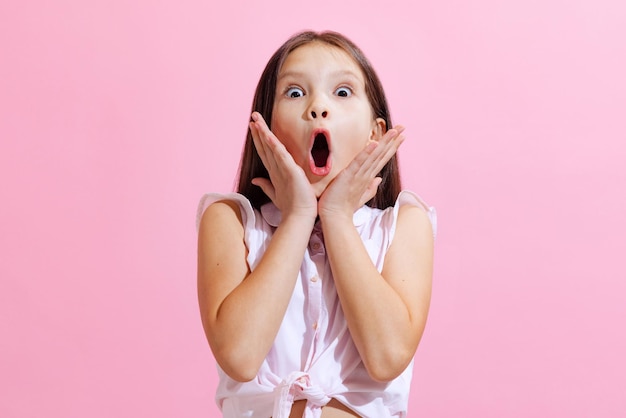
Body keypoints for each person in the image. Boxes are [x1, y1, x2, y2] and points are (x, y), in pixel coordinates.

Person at [196, 30, 436, 418]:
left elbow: (387, 355)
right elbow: (239, 356)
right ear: (265, 130)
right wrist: (297, 217)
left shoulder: (404, 226)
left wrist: (337, 216)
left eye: (342, 93)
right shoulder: (229, 221)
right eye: (294, 93)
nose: (318, 107)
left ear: (375, 133)